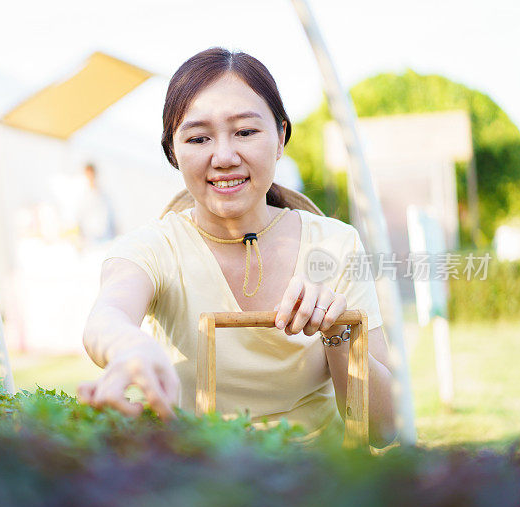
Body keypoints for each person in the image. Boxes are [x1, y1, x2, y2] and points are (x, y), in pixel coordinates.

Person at [77, 48, 397, 448]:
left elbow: (384, 429)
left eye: (245, 132)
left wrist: (338, 334)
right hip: (206, 486)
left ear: (280, 138)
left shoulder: (334, 243)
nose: (224, 157)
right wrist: (130, 347)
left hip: (320, 488)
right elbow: (107, 314)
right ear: (173, 152)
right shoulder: (153, 248)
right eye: (198, 138)